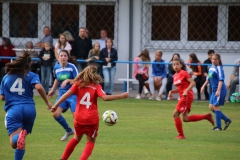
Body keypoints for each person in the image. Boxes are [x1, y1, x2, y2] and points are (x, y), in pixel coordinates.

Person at [50, 65, 129, 160]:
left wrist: (56, 105)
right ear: (95, 75)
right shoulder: (96, 86)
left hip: (79, 118)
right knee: (90, 141)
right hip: (92, 119)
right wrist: (121, 96)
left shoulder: (78, 84)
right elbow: (105, 97)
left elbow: (66, 94)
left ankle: (63, 158)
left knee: (76, 138)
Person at [0, 51, 52, 160]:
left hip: (14, 110)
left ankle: (18, 137)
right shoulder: (32, 75)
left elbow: (2, 97)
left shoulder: (6, 77)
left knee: (14, 142)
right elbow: (38, 87)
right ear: (29, 64)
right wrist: (47, 102)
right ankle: (19, 138)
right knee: (21, 140)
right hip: (30, 109)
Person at [168, 58, 214, 139]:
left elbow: (193, 82)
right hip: (183, 96)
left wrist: (186, 91)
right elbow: (180, 88)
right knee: (185, 118)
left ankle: (181, 135)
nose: (175, 66)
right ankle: (206, 116)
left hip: (187, 96)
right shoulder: (175, 76)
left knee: (175, 114)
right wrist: (172, 91)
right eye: (174, 64)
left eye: (177, 64)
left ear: (181, 65)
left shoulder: (183, 73)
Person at [48, 50, 78, 141]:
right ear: (59, 57)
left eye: (65, 55)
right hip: (62, 94)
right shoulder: (56, 67)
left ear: (68, 57)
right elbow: (57, 79)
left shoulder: (72, 67)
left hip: (73, 94)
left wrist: (68, 80)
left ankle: (78, 133)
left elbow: (78, 80)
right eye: (61, 55)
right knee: (55, 113)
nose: (63, 57)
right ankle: (69, 130)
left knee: (76, 116)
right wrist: (52, 90)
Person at [201, 54, 232, 130]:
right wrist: (203, 86)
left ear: (218, 60)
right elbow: (208, 78)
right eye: (213, 59)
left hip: (219, 89)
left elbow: (221, 80)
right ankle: (227, 120)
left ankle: (218, 127)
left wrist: (218, 91)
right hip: (214, 90)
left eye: (215, 59)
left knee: (216, 107)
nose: (214, 60)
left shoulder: (219, 68)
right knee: (211, 107)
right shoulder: (211, 68)